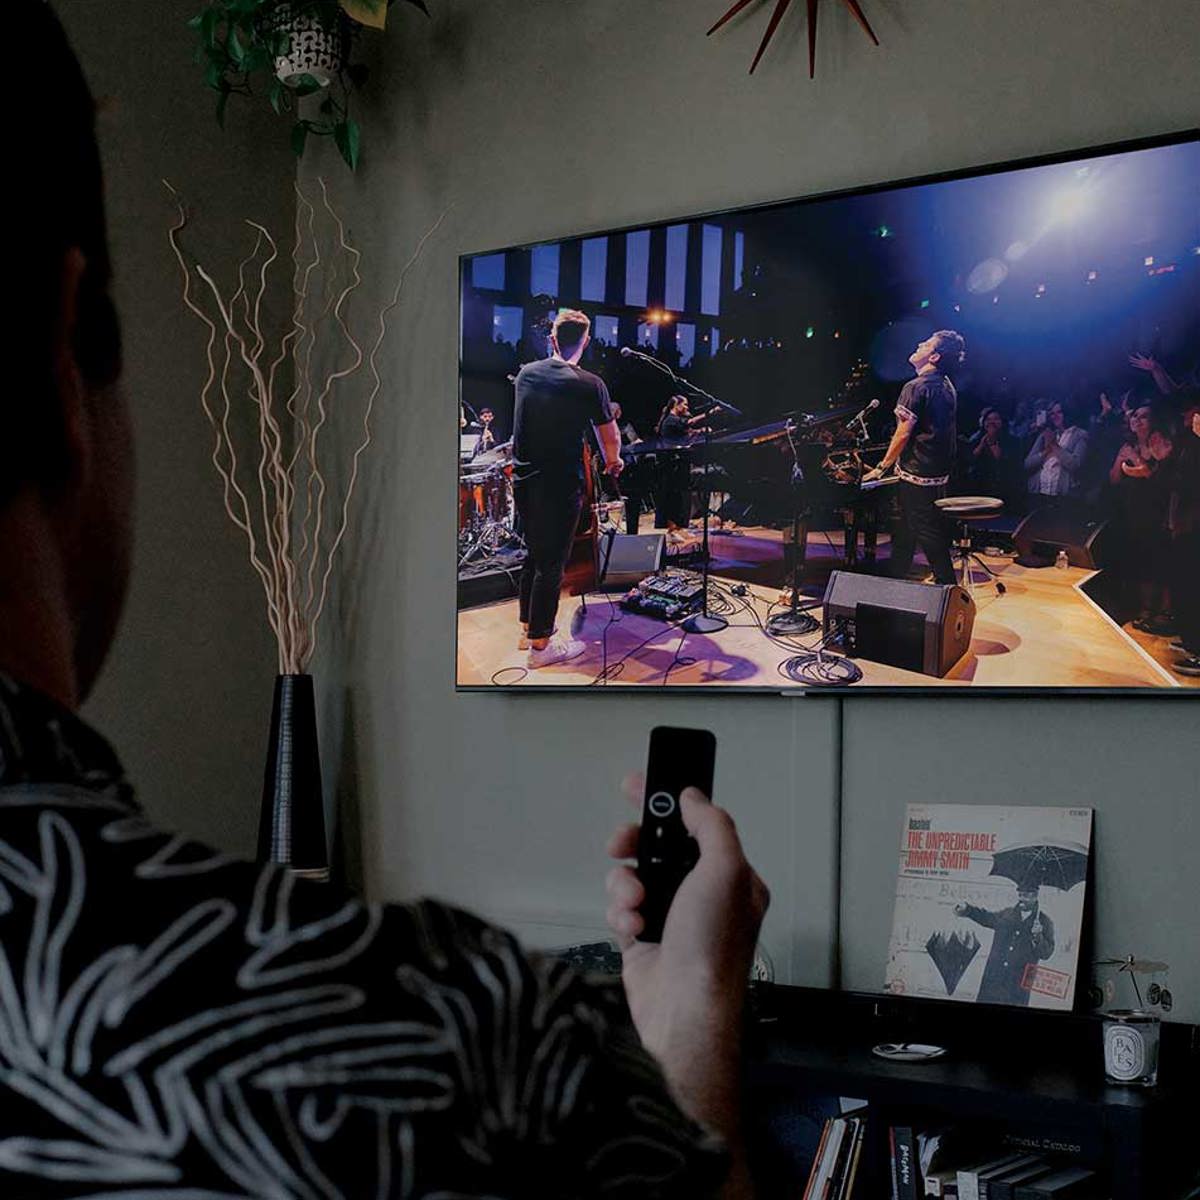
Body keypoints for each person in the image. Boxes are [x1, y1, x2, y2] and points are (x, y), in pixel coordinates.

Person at [0, 9, 768, 1196]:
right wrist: (689, 1024)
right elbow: (610, 453)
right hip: (566, 492)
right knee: (558, 555)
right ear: (59, 357)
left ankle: (534, 635)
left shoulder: (525, 377)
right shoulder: (459, 1051)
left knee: (534, 570)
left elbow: (527, 444)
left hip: (531, 486)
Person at [511, 309, 624, 666]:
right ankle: (541, 647)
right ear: (586, 341)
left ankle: (528, 628)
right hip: (559, 485)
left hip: (524, 481)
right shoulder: (589, 384)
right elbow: (610, 436)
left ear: (553, 339)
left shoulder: (527, 374)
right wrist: (613, 461)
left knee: (534, 555)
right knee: (552, 563)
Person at [863, 330, 966, 585]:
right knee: (906, 527)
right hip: (936, 471)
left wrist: (881, 467)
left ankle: (947, 586)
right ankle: (897, 574)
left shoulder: (915, 387)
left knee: (925, 530)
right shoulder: (946, 384)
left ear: (934, 356)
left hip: (917, 470)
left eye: (927, 344)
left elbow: (903, 433)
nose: (919, 344)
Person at [955, 889, 1055, 1007]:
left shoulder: (1045, 922)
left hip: (1018, 986)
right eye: (1020, 895)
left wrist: (1038, 937)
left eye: (1026, 896)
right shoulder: (1006, 914)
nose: (1021, 899)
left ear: (1035, 896)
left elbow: (1046, 953)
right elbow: (986, 917)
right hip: (993, 980)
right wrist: (968, 909)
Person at [1023, 400, 1089, 502]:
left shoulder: (1080, 435)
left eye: (1059, 412)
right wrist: (1045, 452)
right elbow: (1027, 464)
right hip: (1038, 493)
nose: (1055, 416)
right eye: (1052, 414)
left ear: (1067, 413)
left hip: (1063, 498)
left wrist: (1054, 445)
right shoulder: (1045, 435)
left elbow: (1076, 465)